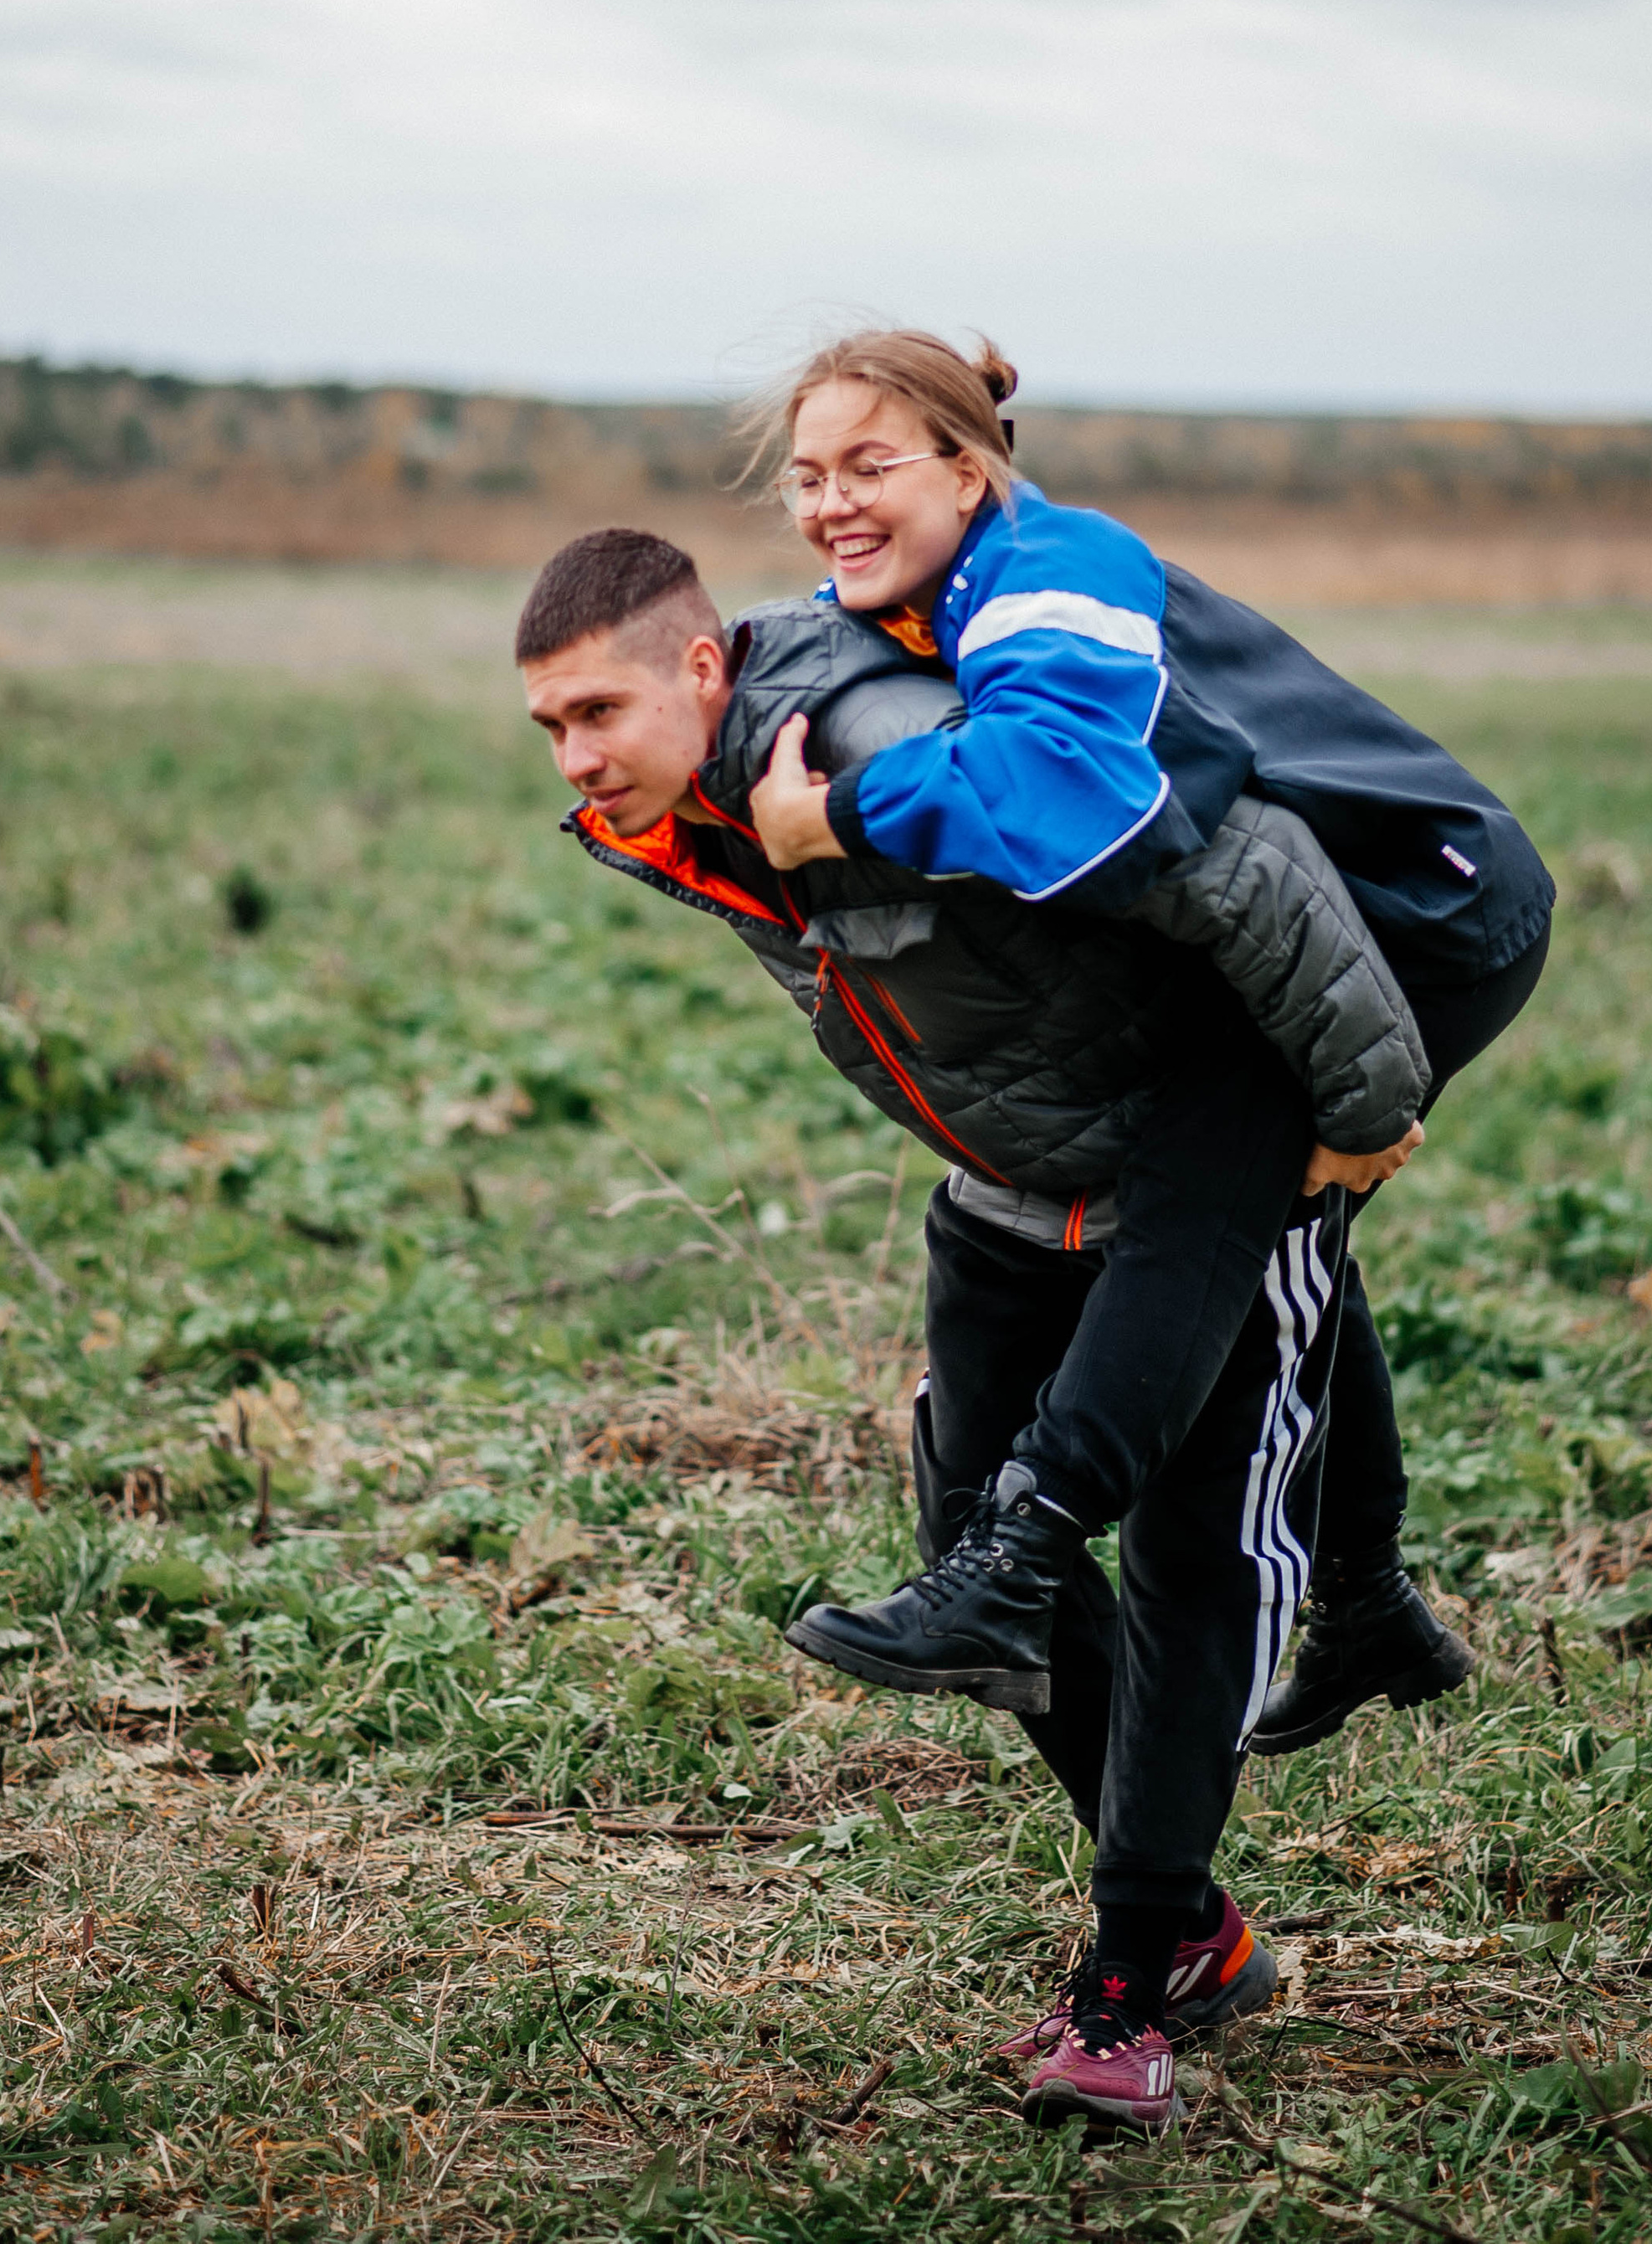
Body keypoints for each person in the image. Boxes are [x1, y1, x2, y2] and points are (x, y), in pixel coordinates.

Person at [517, 525, 1437, 2129]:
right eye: (549, 728)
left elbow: (1244, 864)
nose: (577, 760)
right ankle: (1204, 1930)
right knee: (977, 1550)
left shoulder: (872, 744)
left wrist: (1358, 1117)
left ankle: (1127, 1981)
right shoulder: (685, 812)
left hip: (1193, 1171)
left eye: (600, 712)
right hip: (1014, 1186)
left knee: (1192, 1563)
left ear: (703, 668)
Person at [737, 332, 1552, 1795]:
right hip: (1283, 937)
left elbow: (1059, 781)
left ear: (972, 466)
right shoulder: (907, 601)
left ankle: (1036, 1557)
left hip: (1421, 914)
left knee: (1203, 1213)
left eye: (872, 466)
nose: (831, 506)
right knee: (1274, 1229)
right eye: (806, 478)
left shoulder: (1061, 569)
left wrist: (840, 815)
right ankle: (1367, 1599)